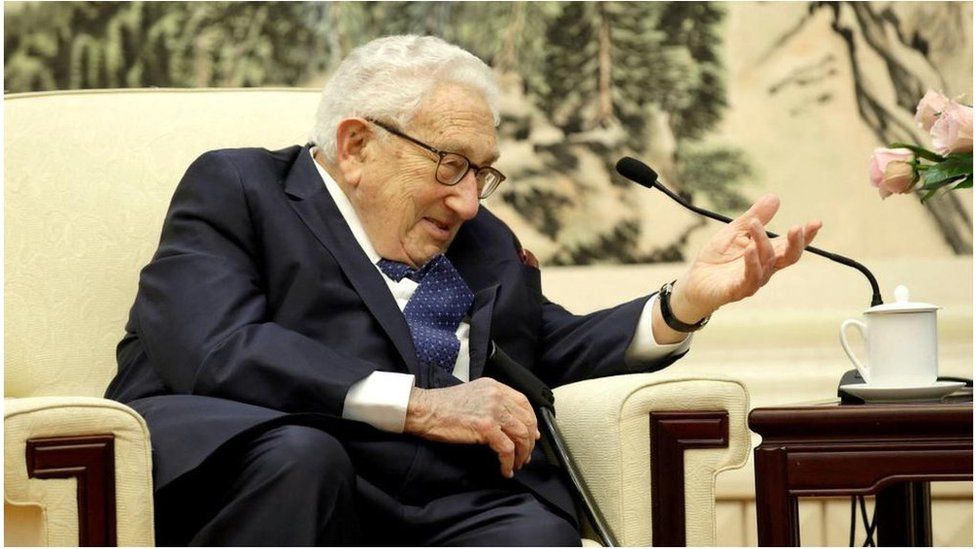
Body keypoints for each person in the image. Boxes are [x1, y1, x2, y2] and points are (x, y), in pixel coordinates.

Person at [105, 35, 821, 546]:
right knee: (302, 458)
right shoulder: (241, 189)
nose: (470, 201)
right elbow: (217, 348)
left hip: (441, 498)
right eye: (452, 166)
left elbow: (546, 348)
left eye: (484, 172)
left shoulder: (482, 241)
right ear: (356, 146)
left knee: (532, 527)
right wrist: (420, 405)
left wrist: (684, 301)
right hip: (268, 470)